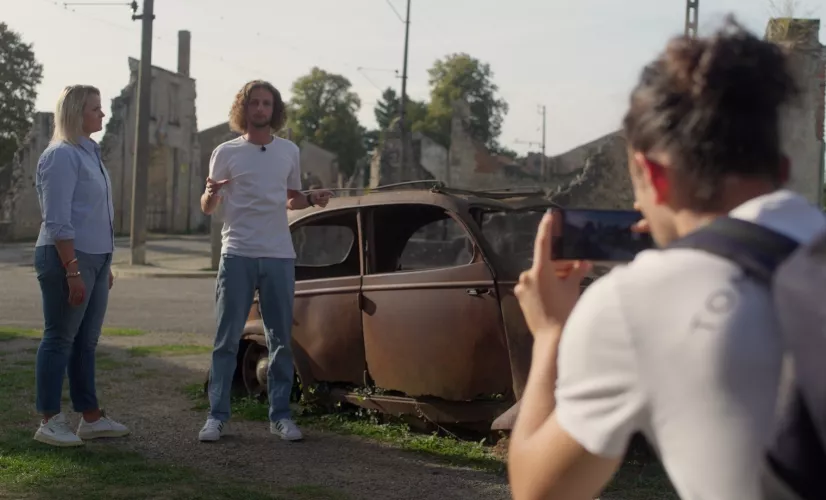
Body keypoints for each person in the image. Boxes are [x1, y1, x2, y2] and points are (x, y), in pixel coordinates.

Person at [506, 17, 826, 500]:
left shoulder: (633, 302)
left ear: (651, 175)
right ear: (780, 170)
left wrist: (551, 332)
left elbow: (539, 490)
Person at [198, 80, 334, 443]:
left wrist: (311, 197)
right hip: (237, 253)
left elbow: (291, 199)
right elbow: (209, 207)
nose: (260, 109)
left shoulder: (288, 151)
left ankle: (281, 416)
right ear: (243, 108)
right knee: (227, 340)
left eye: (267, 104)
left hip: (278, 254)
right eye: (254, 103)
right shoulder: (225, 152)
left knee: (280, 341)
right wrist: (210, 194)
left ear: (275, 110)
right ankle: (216, 416)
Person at [33, 85, 129, 447]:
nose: (102, 115)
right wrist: (72, 268)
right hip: (65, 257)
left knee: (86, 342)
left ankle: (90, 418)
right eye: (95, 109)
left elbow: (95, 214)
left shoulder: (90, 153)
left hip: (96, 258)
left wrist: (106, 264)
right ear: (76, 113)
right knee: (59, 338)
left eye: (101, 108)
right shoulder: (61, 156)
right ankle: (49, 419)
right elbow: (57, 219)